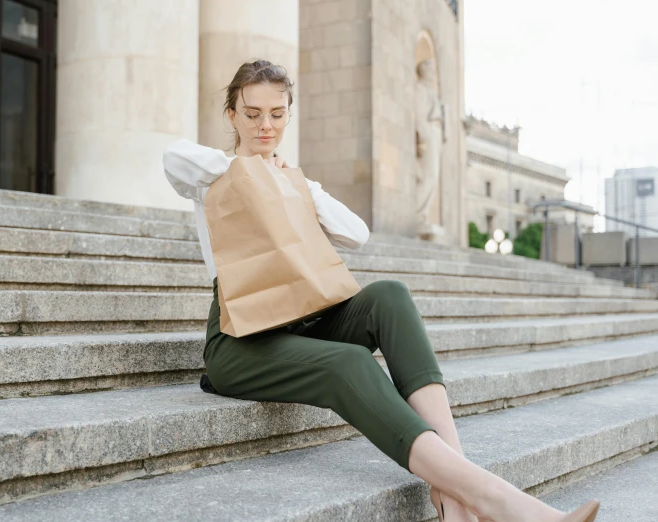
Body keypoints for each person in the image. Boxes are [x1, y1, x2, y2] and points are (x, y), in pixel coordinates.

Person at [163, 59, 599, 522]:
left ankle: (452, 495)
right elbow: (172, 159)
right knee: (350, 362)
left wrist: (291, 186)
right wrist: (248, 169)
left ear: (290, 114)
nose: (264, 125)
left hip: (301, 322)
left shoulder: (297, 184)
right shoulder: (209, 177)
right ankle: (496, 500)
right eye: (251, 113)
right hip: (240, 342)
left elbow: (357, 233)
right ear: (231, 115)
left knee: (389, 295)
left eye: (276, 113)